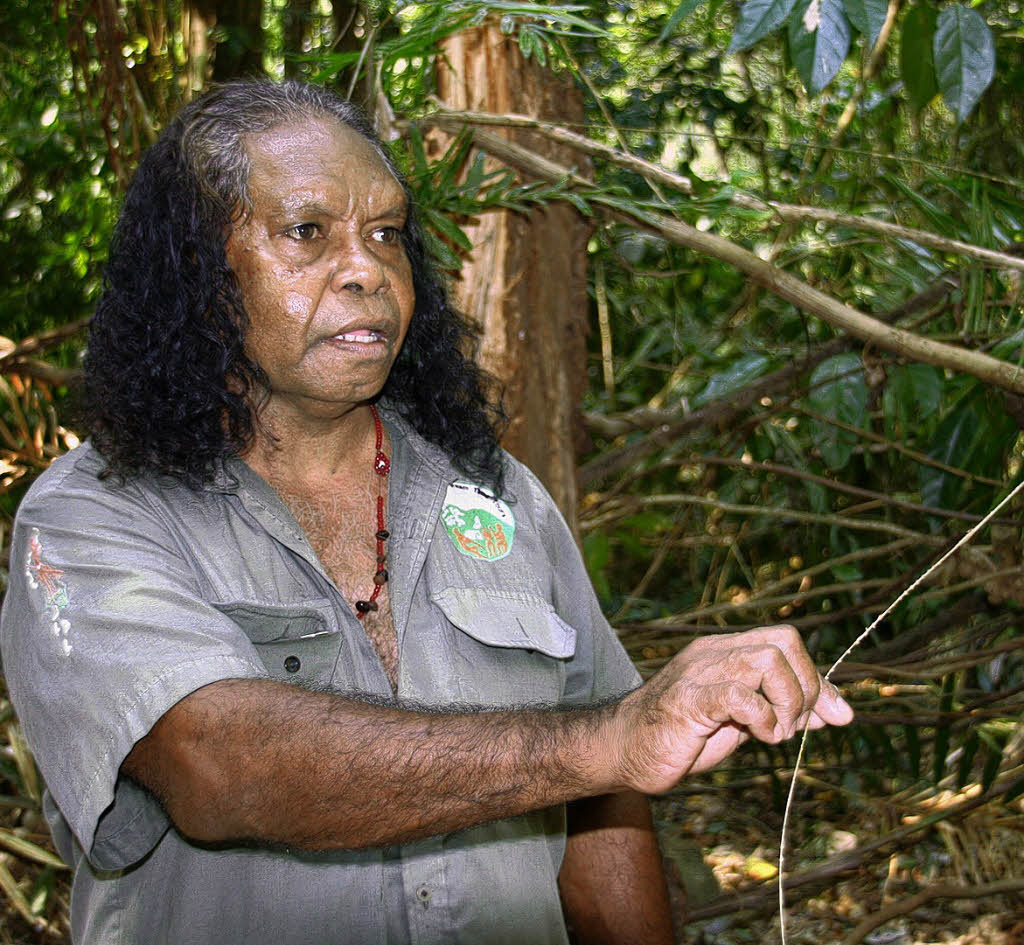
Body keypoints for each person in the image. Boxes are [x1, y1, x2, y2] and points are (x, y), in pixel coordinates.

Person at [0, 80, 852, 945]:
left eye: (386, 234)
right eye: (307, 232)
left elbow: (603, 806)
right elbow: (220, 763)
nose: (367, 269)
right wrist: (610, 735)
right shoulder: (92, 519)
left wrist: (610, 747)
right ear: (194, 270)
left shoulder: (501, 498)